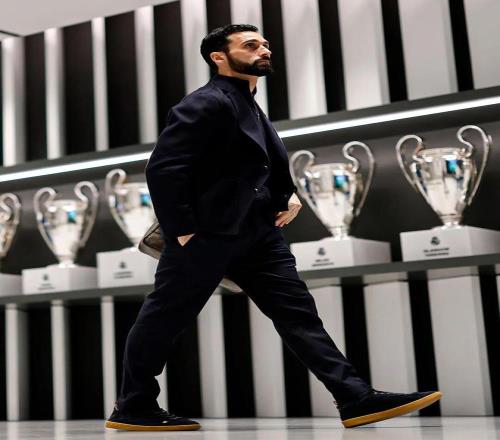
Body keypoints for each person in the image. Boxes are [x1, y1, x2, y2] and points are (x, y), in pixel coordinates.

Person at [105, 24, 441, 431]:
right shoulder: (205, 102)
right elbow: (163, 168)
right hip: (207, 236)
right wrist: (184, 230)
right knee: (165, 318)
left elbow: (255, 163)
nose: (263, 50)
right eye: (251, 45)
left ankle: (355, 397)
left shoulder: (249, 103)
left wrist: (286, 194)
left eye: (265, 44)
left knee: (299, 315)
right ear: (218, 57)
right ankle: (134, 406)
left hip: (259, 236)